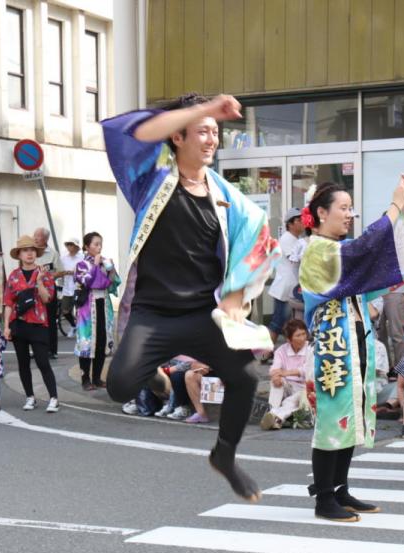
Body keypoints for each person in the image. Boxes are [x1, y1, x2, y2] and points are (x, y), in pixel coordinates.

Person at [101, 93, 281, 501]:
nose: (212, 139)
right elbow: (134, 133)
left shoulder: (225, 196)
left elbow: (256, 236)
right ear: (178, 137)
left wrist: (236, 295)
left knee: (244, 378)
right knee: (120, 387)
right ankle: (154, 373)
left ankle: (225, 455)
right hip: (153, 313)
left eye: (216, 132)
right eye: (202, 131)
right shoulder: (150, 179)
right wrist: (203, 108)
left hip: (202, 314)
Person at [300, 177, 404, 522]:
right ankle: (324, 498)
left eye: (350, 209)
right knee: (332, 419)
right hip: (334, 348)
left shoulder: (338, 249)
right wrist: (392, 208)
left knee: (349, 415)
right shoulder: (318, 250)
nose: (349, 215)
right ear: (321, 213)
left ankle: (340, 489)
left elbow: (373, 256)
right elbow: (364, 250)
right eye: (343, 208)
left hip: (352, 344)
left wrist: (403, 211)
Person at [3, 234, 59, 412]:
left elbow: (47, 298)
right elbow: (8, 303)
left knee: (43, 361)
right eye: (25, 251)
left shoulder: (44, 274)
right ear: (19, 255)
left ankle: (53, 398)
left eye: (32, 250)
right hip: (19, 324)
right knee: (23, 363)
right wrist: (6, 326)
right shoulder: (13, 276)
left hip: (39, 324)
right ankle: (30, 397)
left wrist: (40, 282)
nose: (29, 254)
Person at [74, 231, 118, 390]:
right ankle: (85, 379)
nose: (99, 247)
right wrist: (94, 265)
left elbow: (113, 284)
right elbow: (85, 281)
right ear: (87, 247)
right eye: (95, 244)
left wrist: (111, 270)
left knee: (101, 340)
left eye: (100, 244)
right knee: (86, 342)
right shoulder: (81, 265)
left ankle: (97, 378)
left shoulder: (104, 262)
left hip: (104, 305)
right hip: (88, 307)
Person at [261, 317, 312, 430]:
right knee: (276, 382)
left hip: (306, 387)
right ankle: (274, 411)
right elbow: (275, 369)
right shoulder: (281, 351)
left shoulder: (310, 349)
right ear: (289, 339)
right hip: (289, 385)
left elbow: (307, 370)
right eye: (298, 335)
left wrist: (285, 372)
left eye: (304, 334)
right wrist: (276, 377)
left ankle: (275, 415)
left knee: (293, 399)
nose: (302, 338)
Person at [268, 207, 305, 346]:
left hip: (291, 287)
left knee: (289, 324)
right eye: (299, 220)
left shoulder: (297, 239)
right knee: (278, 322)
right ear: (290, 223)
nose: (302, 222)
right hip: (285, 288)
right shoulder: (287, 239)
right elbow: (294, 259)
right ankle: (266, 352)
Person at [33, 227, 61, 358]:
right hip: (34, 291)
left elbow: (60, 271)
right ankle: (37, 349)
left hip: (49, 290)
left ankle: (52, 350)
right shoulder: (31, 252)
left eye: (37, 236)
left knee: (50, 320)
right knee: (35, 320)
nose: (34, 238)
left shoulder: (53, 253)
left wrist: (48, 278)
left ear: (45, 239)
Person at [58, 236, 82, 335]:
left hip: (79, 287)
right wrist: (63, 273)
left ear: (76, 246)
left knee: (79, 310)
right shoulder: (63, 257)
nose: (69, 247)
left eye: (71, 244)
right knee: (65, 310)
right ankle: (73, 325)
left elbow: (86, 271)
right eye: (68, 244)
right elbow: (59, 270)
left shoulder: (82, 257)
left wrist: (74, 272)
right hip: (67, 287)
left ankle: (81, 330)